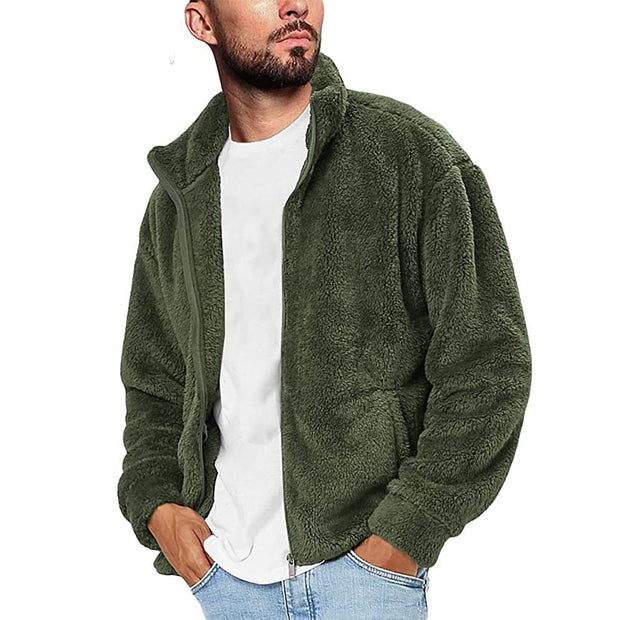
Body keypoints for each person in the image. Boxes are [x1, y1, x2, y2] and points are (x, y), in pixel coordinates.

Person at [117, 1, 532, 618]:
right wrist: (156, 506)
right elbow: (155, 383)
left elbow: (489, 366)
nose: (295, 4)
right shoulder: (180, 196)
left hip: (365, 579)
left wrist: (405, 534)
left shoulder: (408, 156)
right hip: (226, 576)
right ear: (202, 23)